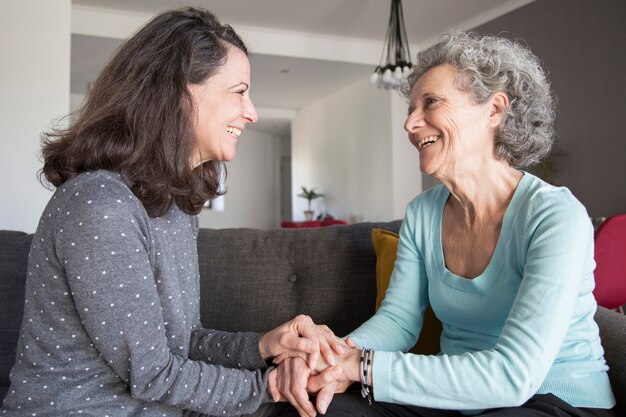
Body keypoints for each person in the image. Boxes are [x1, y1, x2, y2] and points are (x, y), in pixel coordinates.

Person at [0, 7, 342, 417]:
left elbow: (182, 342)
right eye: (238, 91)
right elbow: (154, 374)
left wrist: (264, 346)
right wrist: (270, 385)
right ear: (179, 94)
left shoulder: (174, 206)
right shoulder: (99, 206)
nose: (252, 112)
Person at [271, 32, 617, 417]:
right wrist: (334, 356)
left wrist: (361, 367)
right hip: (455, 396)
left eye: (430, 102)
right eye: (410, 108)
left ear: (494, 109)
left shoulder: (554, 216)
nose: (409, 123)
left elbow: (514, 375)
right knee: (313, 409)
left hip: (554, 400)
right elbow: (398, 321)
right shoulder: (423, 213)